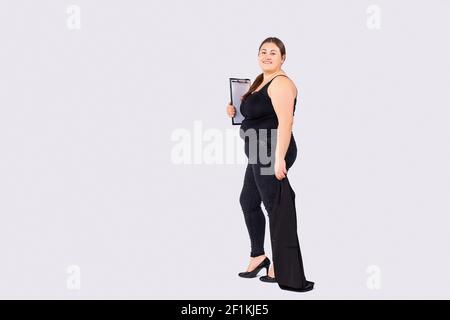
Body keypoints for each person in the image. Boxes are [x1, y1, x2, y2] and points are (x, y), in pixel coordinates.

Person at [225, 37, 312, 291]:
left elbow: (285, 123)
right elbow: (255, 114)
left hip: (271, 150)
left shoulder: (281, 84)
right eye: (263, 52)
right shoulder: (260, 80)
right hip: (258, 151)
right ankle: (258, 256)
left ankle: (281, 267)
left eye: (273, 53)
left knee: (275, 207)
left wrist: (279, 158)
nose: (267, 56)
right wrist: (234, 111)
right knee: (248, 201)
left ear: (282, 58)